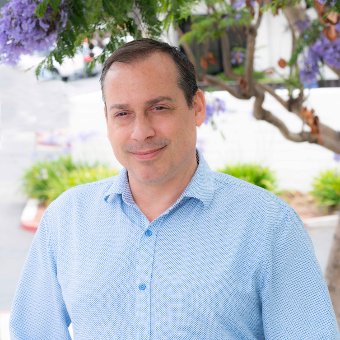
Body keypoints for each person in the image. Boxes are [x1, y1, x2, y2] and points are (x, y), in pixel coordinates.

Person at [10, 38, 339, 339]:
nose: (141, 132)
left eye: (159, 108)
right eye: (123, 113)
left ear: (197, 107)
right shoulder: (66, 220)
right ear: (107, 120)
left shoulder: (270, 226)